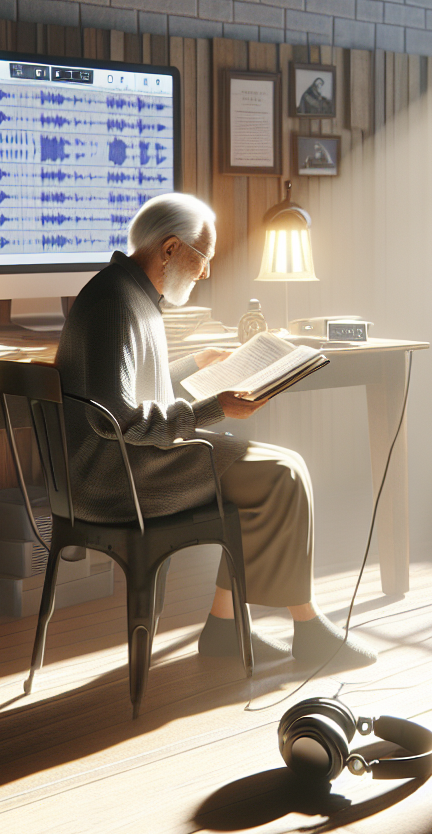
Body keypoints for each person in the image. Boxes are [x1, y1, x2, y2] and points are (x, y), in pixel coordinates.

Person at [55, 192, 376, 670]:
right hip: (118, 479)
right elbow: (115, 418)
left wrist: (194, 364)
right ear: (169, 249)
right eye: (202, 256)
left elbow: (132, 389)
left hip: (125, 463)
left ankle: (227, 625)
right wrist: (211, 409)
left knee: (284, 466)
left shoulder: (125, 292)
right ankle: (303, 627)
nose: (205, 272)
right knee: (281, 475)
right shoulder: (115, 304)